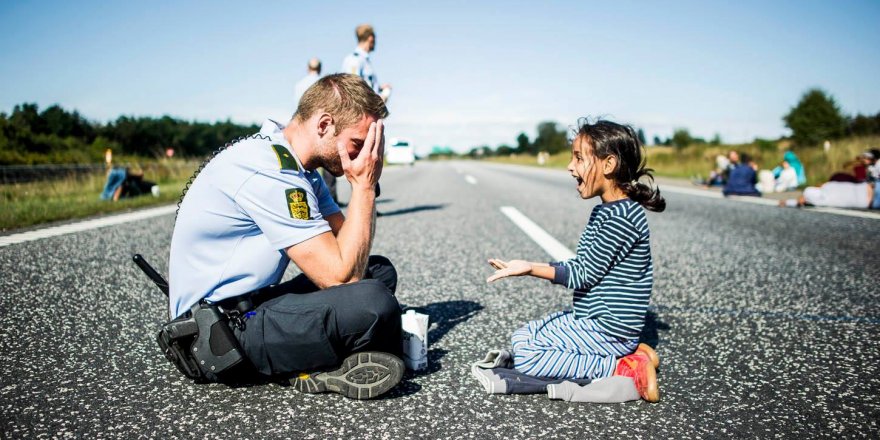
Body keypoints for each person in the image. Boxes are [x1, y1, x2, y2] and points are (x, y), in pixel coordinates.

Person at [168, 73, 404, 399]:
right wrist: (362, 187)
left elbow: (348, 242)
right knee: (372, 302)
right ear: (324, 125)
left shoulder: (299, 167)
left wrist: (368, 187)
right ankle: (310, 364)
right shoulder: (269, 167)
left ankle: (321, 351)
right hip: (217, 333)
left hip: (250, 304)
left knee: (379, 271)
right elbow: (341, 276)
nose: (366, 155)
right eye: (358, 144)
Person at [478, 119, 666, 402]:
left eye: (578, 158)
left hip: (608, 328)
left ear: (608, 164)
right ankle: (629, 352)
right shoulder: (606, 211)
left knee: (528, 357)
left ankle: (622, 366)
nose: (570, 166)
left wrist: (528, 268)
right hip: (592, 319)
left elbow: (582, 274)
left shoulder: (622, 218)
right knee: (524, 335)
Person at [341, 24, 392, 102]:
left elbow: (364, 85)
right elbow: (352, 90)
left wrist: (379, 88)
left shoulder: (363, 60)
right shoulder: (355, 60)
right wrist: (381, 99)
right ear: (371, 38)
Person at [779, 180, 880, 210]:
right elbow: (804, 198)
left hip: (871, 200)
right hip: (872, 190)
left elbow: (802, 200)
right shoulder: (828, 186)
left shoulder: (821, 201)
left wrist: (788, 202)